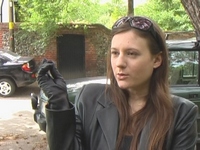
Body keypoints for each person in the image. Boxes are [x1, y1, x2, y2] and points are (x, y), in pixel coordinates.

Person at [36, 16, 198, 150]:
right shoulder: (89, 99)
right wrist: (59, 104)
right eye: (115, 53)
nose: (119, 63)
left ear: (156, 60)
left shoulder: (181, 113)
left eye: (131, 53)